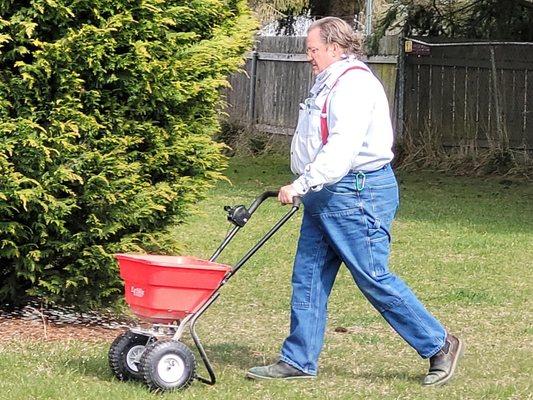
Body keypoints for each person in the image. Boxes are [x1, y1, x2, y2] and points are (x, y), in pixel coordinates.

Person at [246, 17, 464, 386]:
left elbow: (341, 150)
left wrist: (301, 184)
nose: (309, 56)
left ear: (334, 48)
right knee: (308, 277)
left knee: (373, 277)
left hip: (357, 192)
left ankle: (439, 344)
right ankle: (298, 359)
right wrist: (309, 184)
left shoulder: (354, 86)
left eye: (313, 49)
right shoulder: (328, 81)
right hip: (327, 191)